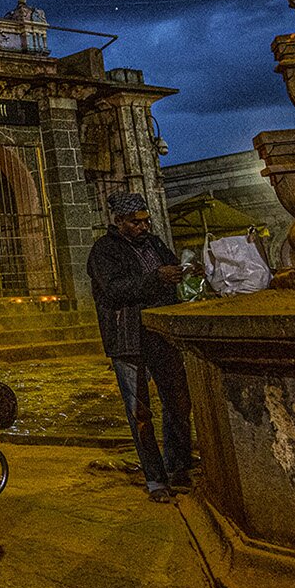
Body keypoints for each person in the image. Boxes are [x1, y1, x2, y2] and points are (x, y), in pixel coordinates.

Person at [85, 191, 194, 503]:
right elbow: (115, 289)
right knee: (140, 411)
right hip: (128, 339)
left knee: (178, 402)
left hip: (162, 336)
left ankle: (178, 466)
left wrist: (184, 270)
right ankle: (155, 479)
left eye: (146, 220)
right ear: (120, 222)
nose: (144, 226)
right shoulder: (104, 251)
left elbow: (170, 267)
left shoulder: (155, 244)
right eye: (137, 222)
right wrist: (155, 278)